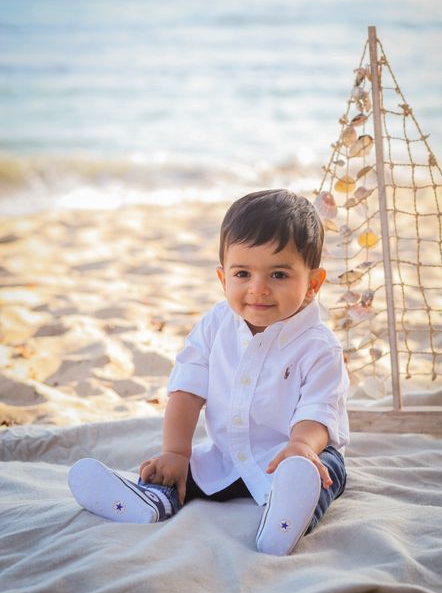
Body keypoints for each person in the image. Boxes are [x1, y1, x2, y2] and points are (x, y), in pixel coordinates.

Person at [68, 189, 349, 556]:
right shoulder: (216, 325)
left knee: (317, 477)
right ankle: (151, 502)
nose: (258, 289)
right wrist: (176, 452)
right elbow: (186, 390)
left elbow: (318, 410)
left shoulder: (319, 345)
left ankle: (287, 518)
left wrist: (300, 447)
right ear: (223, 278)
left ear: (312, 284)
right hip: (228, 457)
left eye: (279, 274)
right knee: (181, 472)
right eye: (242, 274)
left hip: (300, 452)